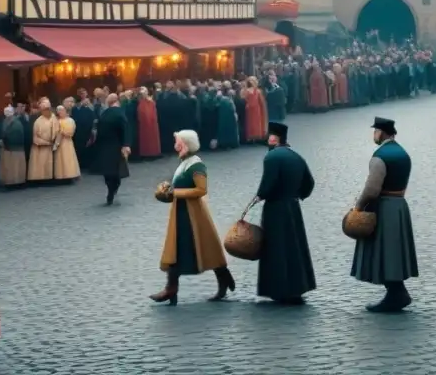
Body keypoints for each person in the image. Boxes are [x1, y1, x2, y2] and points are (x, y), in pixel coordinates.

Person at [151, 129, 235, 305]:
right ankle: (171, 288)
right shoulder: (184, 162)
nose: (175, 146)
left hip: (193, 214)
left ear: (186, 145)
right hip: (181, 212)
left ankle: (222, 276)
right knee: (178, 248)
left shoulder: (196, 165)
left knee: (200, 245)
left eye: (179, 143)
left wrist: (176, 193)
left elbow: (201, 190)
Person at [350, 118, 418, 313]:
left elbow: (372, 189)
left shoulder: (380, 156)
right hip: (400, 204)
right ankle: (397, 291)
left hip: (385, 207)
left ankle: (396, 294)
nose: (374, 135)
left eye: (375, 131)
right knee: (395, 250)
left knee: (387, 251)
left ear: (381, 133)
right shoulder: (403, 153)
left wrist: (358, 206)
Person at [254, 121, 316, 304]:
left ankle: (279, 289)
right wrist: (297, 196)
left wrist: (260, 196)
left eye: (269, 135)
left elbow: (268, 184)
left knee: (277, 248)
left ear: (275, 138)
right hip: (293, 206)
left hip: (275, 208)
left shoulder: (272, 157)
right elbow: (309, 183)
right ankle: (297, 287)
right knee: (295, 247)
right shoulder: (296, 156)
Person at [93, 94, 130, 205]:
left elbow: (99, 131)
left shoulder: (104, 114)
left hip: (105, 146)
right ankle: (113, 188)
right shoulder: (120, 113)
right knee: (116, 170)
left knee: (108, 170)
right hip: (116, 145)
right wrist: (126, 144)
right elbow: (125, 129)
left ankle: (110, 188)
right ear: (117, 101)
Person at [28, 99, 58, 182]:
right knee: (38, 162)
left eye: (47, 107)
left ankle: (48, 178)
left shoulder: (53, 116)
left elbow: (56, 129)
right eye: (43, 106)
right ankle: (38, 178)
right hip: (38, 144)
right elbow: (32, 131)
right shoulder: (34, 117)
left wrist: (52, 140)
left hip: (49, 145)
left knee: (48, 162)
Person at [0, 107, 27, 188]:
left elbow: (16, 135)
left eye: (9, 111)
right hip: (7, 149)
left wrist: (4, 139)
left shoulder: (16, 123)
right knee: (8, 167)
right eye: (6, 111)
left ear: (13, 113)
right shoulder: (5, 121)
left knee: (15, 167)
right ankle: (8, 182)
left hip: (15, 149)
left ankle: (15, 183)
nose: (7, 113)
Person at [53, 105, 81, 182]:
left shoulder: (70, 120)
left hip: (67, 142)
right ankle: (60, 175)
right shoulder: (57, 120)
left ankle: (70, 175)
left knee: (67, 158)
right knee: (59, 159)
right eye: (58, 111)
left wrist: (62, 131)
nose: (60, 112)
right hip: (58, 143)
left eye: (61, 110)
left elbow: (70, 132)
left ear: (65, 111)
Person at [135, 87, 162, 160]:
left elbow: (153, 112)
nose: (143, 94)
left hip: (151, 123)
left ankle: (153, 152)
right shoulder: (140, 103)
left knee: (152, 137)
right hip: (144, 124)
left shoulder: (150, 102)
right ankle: (146, 153)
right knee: (145, 138)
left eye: (144, 92)